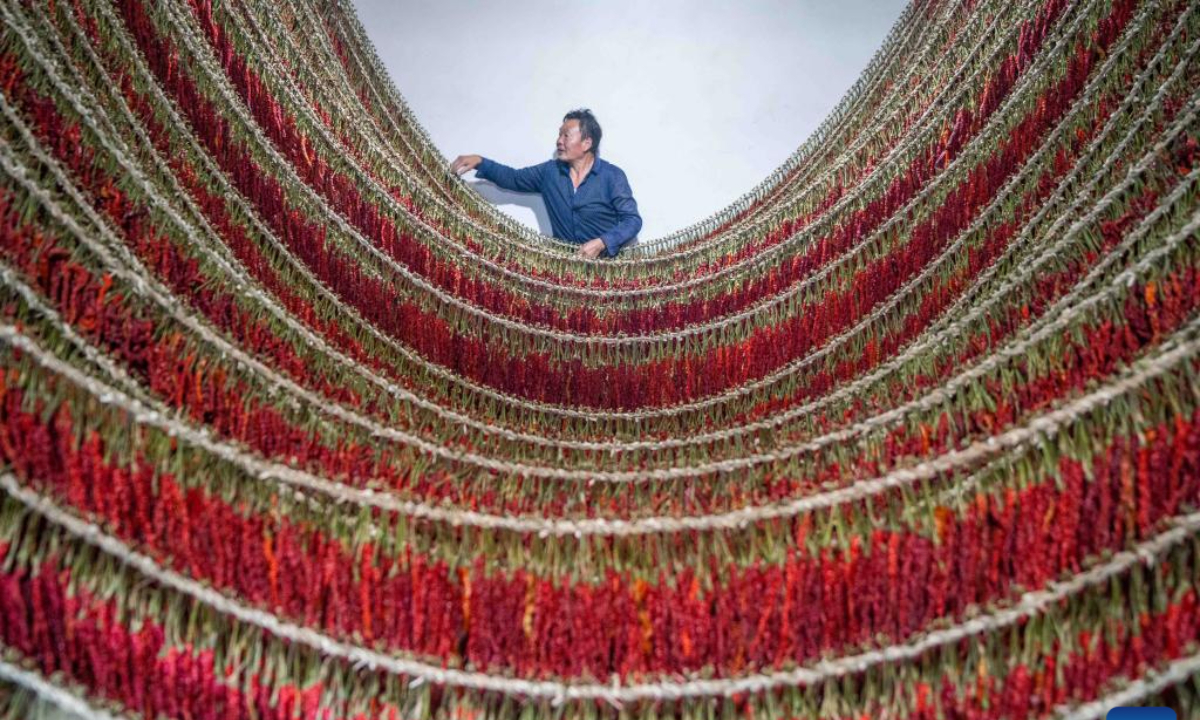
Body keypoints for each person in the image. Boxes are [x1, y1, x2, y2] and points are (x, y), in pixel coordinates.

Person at [451, 109, 642, 259]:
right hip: (565, 271)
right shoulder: (549, 172)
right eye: (559, 135)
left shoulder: (612, 176)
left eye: (567, 136)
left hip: (607, 272)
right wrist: (480, 162)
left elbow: (632, 221)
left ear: (586, 143)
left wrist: (602, 242)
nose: (559, 141)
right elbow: (513, 178)